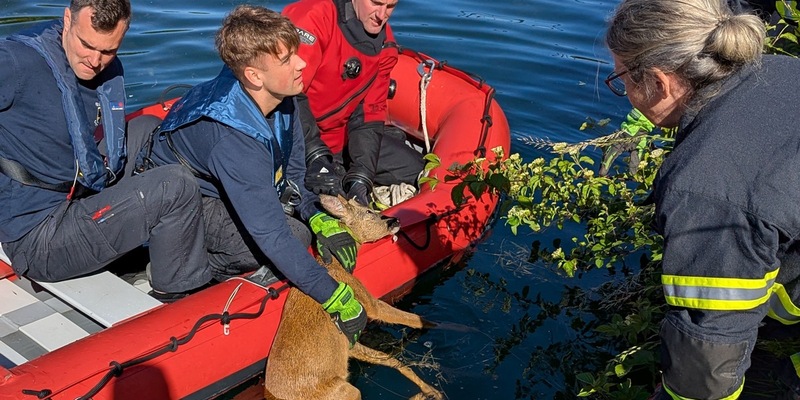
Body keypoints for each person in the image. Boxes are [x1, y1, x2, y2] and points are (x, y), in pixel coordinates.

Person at [136, 5, 366, 345]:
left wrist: (317, 216)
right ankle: (188, 261)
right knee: (292, 238)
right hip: (177, 206)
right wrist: (333, 295)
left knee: (302, 227)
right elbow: (272, 236)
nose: (302, 64)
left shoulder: (282, 100)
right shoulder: (234, 139)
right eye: (287, 60)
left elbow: (296, 176)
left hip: (216, 187)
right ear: (254, 76)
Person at [605, 0, 800, 398]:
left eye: (622, 79)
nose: (624, 92)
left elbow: (706, 358)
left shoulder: (705, 189)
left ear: (659, 82)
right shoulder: (782, 71)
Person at [0, 0, 211, 301]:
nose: (95, 60)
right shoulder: (16, 61)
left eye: (108, 50)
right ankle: (176, 297)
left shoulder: (100, 66)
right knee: (174, 186)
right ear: (68, 19)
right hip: (39, 238)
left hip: (79, 194)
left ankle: (189, 227)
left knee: (148, 128)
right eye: (87, 44)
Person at [282, 0, 424, 206]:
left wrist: (361, 176)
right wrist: (315, 155)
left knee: (417, 171)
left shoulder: (386, 46)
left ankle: (348, 174)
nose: (381, 15)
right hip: (294, 138)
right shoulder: (313, 18)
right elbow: (286, 93)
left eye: (390, 6)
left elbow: (369, 114)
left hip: (340, 141)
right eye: (375, 3)